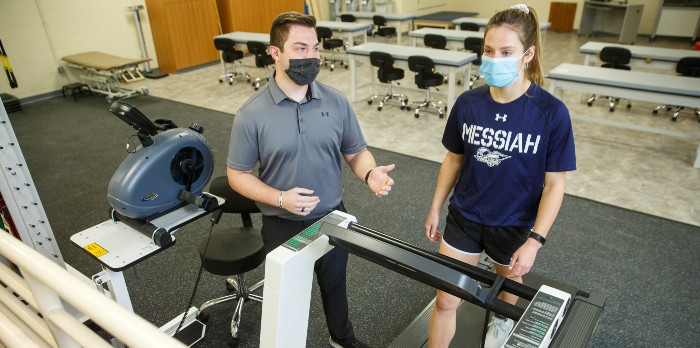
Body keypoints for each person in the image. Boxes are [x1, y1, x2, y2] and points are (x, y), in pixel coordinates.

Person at [226, 11, 395, 348]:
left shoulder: (336, 101)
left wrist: (370, 173)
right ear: (275, 53)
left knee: (335, 285)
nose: (312, 57)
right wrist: (278, 198)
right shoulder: (252, 113)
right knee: (289, 298)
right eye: (300, 48)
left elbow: (355, 151)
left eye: (314, 48)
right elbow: (237, 174)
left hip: (333, 216)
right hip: (281, 221)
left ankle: (341, 338)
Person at [423, 4, 576, 348]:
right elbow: (453, 159)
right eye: (489, 51)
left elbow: (555, 185)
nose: (495, 59)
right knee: (446, 300)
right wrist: (436, 206)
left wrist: (535, 240)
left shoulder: (551, 113)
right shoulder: (468, 103)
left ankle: (501, 324)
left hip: (514, 224)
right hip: (465, 216)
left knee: (504, 297)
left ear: (527, 54)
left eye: (507, 52)